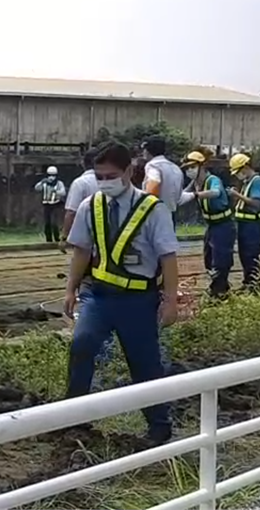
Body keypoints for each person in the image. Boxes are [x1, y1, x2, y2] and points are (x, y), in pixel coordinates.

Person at [64, 141, 178, 446]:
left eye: (110, 175)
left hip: (138, 299)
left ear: (129, 171)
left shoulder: (153, 210)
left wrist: (170, 301)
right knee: (82, 344)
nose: (104, 182)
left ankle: (159, 426)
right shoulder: (92, 206)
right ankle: (72, 417)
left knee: (145, 363)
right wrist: (71, 288)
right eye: (99, 176)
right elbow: (81, 251)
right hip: (99, 295)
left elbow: (168, 258)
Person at [180, 150, 235, 297]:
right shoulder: (195, 183)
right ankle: (218, 286)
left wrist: (195, 195)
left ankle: (220, 292)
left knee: (221, 258)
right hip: (211, 225)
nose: (188, 171)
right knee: (208, 257)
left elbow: (216, 192)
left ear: (202, 166)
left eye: (191, 167)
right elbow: (182, 195)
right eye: (186, 168)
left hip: (223, 224)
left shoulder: (213, 180)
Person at [228, 153, 260, 293]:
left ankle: (255, 287)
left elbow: (256, 203)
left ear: (245, 167)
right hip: (244, 225)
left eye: (238, 171)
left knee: (252, 255)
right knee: (244, 255)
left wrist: (237, 195)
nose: (237, 175)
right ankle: (248, 283)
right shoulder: (247, 182)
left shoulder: (257, 181)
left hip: (253, 227)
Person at [59, 147, 100, 252]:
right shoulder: (112, 180)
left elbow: (71, 212)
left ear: (83, 163)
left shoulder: (80, 183)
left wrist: (64, 237)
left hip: (86, 235)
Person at [141, 136, 185, 219]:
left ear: (148, 151)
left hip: (156, 214)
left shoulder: (153, 165)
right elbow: (179, 195)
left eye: (144, 149)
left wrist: (145, 207)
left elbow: (154, 183)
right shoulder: (176, 168)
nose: (143, 152)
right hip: (171, 213)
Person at [35, 166, 67, 243]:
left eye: (53, 175)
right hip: (46, 205)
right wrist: (42, 182)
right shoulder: (44, 183)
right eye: (50, 175)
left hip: (56, 204)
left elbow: (63, 192)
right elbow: (37, 188)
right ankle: (48, 239)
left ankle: (56, 238)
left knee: (54, 222)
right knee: (47, 222)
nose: (51, 177)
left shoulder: (59, 183)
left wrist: (56, 191)